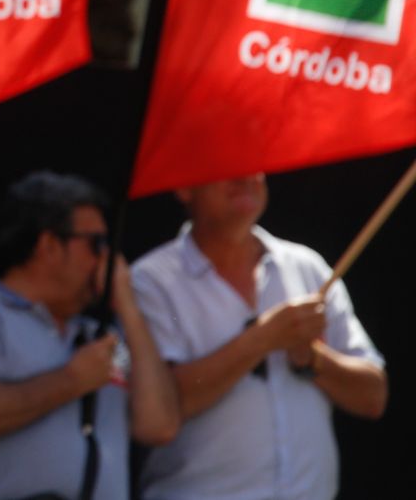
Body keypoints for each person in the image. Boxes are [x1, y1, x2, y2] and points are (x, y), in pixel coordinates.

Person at [0, 171, 179, 500]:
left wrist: (127, 307)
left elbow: (159, 425)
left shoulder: (95, 335)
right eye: (97, 244)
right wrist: (72, 380)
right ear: (49, 246)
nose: (108, 260)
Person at [130, 173, 387, 499]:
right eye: (226, 164)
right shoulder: (151, 281)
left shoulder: (307, 267)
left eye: (255, 164)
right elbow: (160, 413)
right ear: (183, 185)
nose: (245, 177)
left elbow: (374, 396)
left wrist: (313, 358)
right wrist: (261, 339)